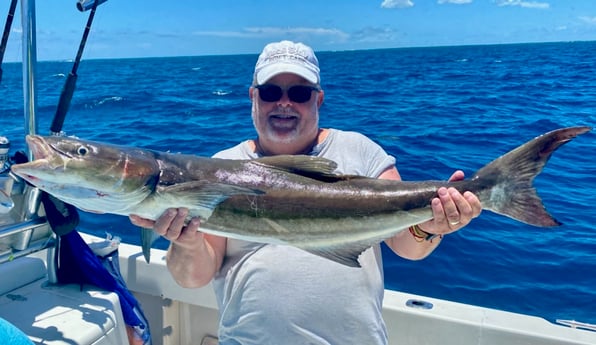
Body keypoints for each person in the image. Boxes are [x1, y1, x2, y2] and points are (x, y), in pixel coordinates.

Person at [130, 40, 482, 344]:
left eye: (299, 93)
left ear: (319, 99)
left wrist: (430, 227)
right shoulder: (223, 165)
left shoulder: (360, 151)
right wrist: (186, 241)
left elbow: (407, 245)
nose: (284, 103)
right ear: (253, 97)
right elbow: (192, 278)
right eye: (271, 92)